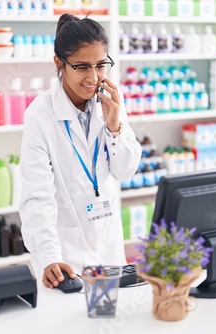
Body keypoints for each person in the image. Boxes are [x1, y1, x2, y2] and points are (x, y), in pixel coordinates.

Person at [19, 14, 142, 290]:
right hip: (65, 256)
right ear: (59, 63)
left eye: (101, 65)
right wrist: (49, 257)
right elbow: (37, 195)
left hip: (108, 245)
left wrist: (115, 126)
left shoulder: (109, 103)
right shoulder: (40, 115)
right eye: (82, 67)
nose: (93, 77)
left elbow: (125, 170)